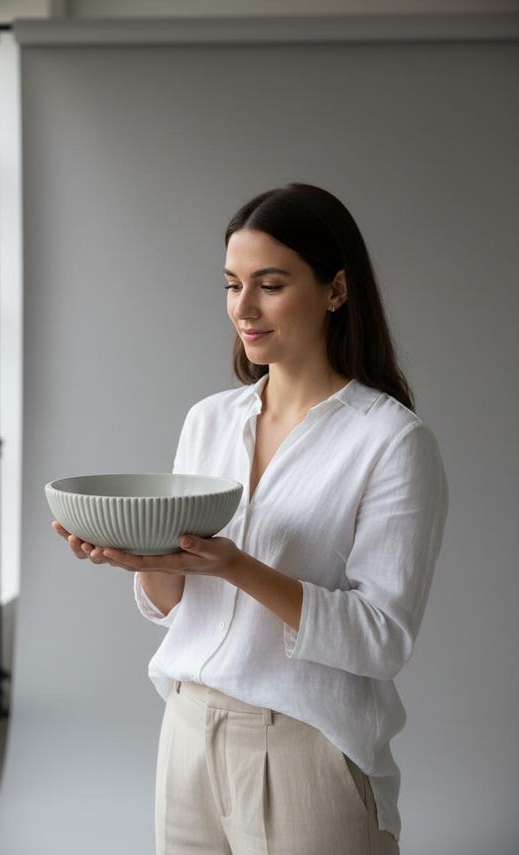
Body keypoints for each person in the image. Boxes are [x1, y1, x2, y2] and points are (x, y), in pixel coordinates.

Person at [53, 182, 449, 855]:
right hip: (186, 731)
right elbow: (177, 602)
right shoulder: (209, 420)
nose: (243, 307)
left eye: (269, 283)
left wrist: (236, 565)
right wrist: (143, 561)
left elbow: (382, 638)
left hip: (304, 745)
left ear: (335, 289)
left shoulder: (391, 441)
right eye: (232, 283)